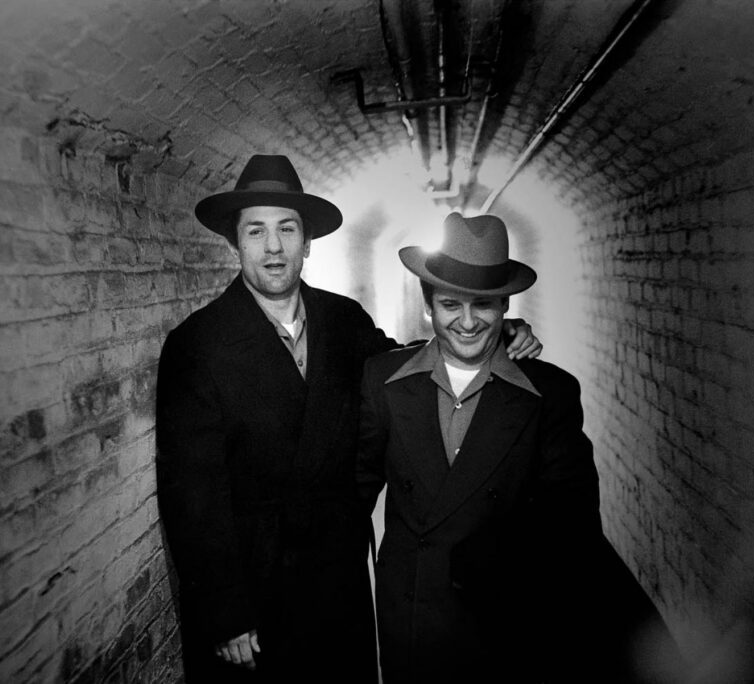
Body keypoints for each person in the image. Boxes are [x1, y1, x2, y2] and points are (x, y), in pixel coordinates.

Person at [155, 156, 541, 683]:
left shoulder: (344, 320)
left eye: (287, 229)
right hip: (255, 601)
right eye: (257, 231)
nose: (274, 247)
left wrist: (494, 333)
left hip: (337, 581)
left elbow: (406, 367)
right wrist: (226, 613)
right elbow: (190, 493)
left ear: (308, 241)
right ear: (235, 243)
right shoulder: (196, 344)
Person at [357, 212, 605, 683]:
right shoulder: (384, 382)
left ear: (506, 304)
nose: (468, 322)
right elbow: (348, 501)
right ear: (428, 305)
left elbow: (574, 531)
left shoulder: (549, 394)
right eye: (451, 304)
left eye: (484, 306)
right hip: (412, 621)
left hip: (506, 628)